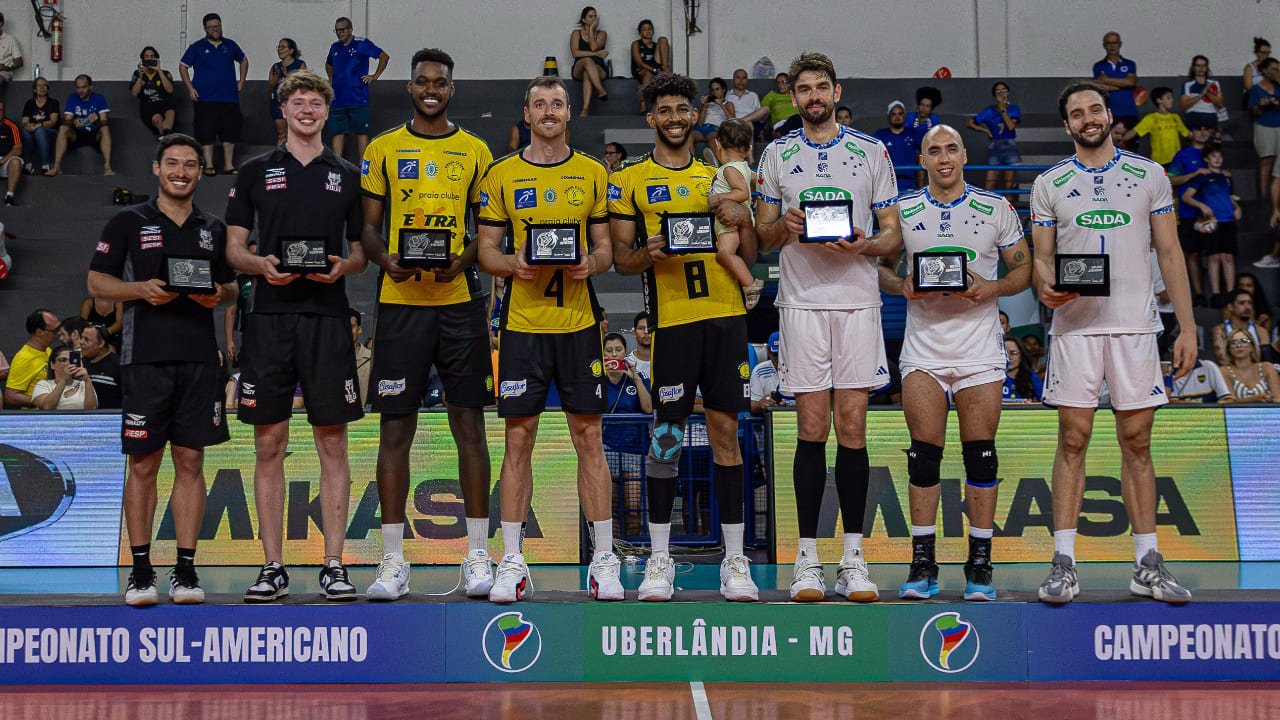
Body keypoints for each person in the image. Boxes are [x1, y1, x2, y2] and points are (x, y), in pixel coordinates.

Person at [1031, 80, 1197, 605]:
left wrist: (1188, 327)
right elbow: (1041, 257)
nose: (1088, 118)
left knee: (1138, 442)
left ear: (1108, 115)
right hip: (1076, 327)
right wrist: (1045, 285)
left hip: (1135, 326)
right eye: (1077, 113)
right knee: (1073, 439)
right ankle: (1064, 563)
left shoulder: (1149, 175)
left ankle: (1147, 563)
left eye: (1095, 109)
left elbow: (1170, 253)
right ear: (1067, 125)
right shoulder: (1049, 183)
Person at [755, 52, 902, 603]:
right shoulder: (777, 153)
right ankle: (809, 559)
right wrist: (784, 226)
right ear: (792, 98)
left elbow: (893, 236)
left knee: (854, 428)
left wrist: (864, 242)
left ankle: (855, 559)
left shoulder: (872, 151)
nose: (813, 97)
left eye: (822, 87)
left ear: (836, 91)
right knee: (811, 428)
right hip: (801, 303)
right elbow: (763, 234)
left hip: (858, 302)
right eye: (804, 90)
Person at [609, 72, 760, 602]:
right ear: (650, 118)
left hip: (724, 318)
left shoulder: (719, 177)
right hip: (672, 323)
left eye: (683, 109)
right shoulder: (630, 180)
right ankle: (658, 561)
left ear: (697, 116)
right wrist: (648, 252)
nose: (674, 118)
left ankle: (735, 562)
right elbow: (621, 260)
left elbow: (751, 252)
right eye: (664, 110)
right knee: (666, 437)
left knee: (725, 434)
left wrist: (744, 218)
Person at [224, 70, 367, 603]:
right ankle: (273, 566)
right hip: (270, 320)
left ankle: (334, 563)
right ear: (282, 112)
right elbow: (235, 249)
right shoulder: (255, 171)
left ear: (327, 112)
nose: (307, 110)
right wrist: (259, 265)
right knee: (269, 442)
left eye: (315, 103)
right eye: (297, 102)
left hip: (329, 318)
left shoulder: (347, 173)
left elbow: (358, 252)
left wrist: (342, 268)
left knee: (333, 441)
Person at [359, 48, 496, 601]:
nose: (431, 88)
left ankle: (478, 556)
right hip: (399, 302)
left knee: (470, 426)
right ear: (409, 87)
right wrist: (387, 260)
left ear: (451, 88)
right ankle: (393, 562)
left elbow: (488, 228)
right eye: (422, 81)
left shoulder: (476, 150)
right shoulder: (383, 148)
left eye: (440, 81)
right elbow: (370, 228)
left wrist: (459, 262)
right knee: (396, 430)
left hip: (458, 302)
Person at [476, 75, 617, 602]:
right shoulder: (502, 175)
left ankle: (603, 560)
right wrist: (513, 263)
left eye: (558, 102)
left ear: (568, 113)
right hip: (523, 328)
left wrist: (591, 263)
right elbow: (486, 249)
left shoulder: (592, 173)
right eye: (541, 104)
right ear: (527, 114)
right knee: (518, 441)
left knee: (589, 440)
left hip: (579, 326)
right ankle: (511, 560)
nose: (550, 111)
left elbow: (604, 248)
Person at [880, 123, 1031, 602]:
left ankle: (979, 564)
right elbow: (875, 265)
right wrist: (897, 284)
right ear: (921, 160)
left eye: (950, 149)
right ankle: (922, 563)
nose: (943, 158)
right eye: (933, 151)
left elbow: (1024, 267)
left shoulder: (996, 207)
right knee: (923, 458)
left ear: (964, 154)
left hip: (979, 350)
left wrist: (992, 288)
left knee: (980, 455)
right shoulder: (902, 210)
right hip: (924, 348)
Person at [87, 133, 236, 606]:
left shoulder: (212, 226)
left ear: (199, 172)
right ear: (156, 169)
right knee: (145, 463)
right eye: (172, 163)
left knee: (191, 462)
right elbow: (97, 281)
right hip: (144, 358)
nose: (181, 171)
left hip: (197, 359)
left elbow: (231, 288)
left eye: (190, 164)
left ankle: (186, 571)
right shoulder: (128, 221)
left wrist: (218, 294)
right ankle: (141, 569)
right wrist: (142, 290)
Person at [180, 13, 248, 175]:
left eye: (217, 26)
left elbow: (244, 60)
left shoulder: (230, 45)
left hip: (229, 97)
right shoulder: (196, 47)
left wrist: (242, 81)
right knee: (206, 131)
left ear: (221, 26)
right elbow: (183, 67)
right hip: (205, 98)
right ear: (205, 29)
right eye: (211, 27)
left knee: (230, 131)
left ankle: (228, 165)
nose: (214, 30)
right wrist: (190, 88)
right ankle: (209, 165)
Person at [1182, 143, 1240, 306]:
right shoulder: (1202, 177)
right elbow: (1187, 197)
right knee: (1214, 257)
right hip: (1212, 221)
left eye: (1219, 156)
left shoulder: (1227, 176)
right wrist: (1202, 206)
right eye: (1213, 156)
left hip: (1228, 219)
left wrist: (1237, 208)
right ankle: (1215, 294)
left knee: (1228, 256)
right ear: (1206, 159)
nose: (1217, 159)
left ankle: (1230, 293)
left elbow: (1230, 196)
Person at [325, 17, 388, 160]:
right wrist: (331, 80)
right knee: (337, 132)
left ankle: (363, 166)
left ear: (350, 29)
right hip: (338, 98)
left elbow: (384, 56)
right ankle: (338, 164)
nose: (339, 33)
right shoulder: (335, 47)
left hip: (358, 98)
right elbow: (329, 64)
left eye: (342, 30)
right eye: (337, 30)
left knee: (361, 131)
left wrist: (375, 75)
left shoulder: (361, 44)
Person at [709, 118, 758, 289]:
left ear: (718, 144)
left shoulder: (729, 169)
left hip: (729, 223)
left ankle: (750, 284)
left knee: (724, 254)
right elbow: (760, 181)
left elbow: (742, 193)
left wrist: (719, 197)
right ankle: (748, 283)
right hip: (739, 221)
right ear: (748, 149)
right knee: (726, 252)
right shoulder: (744, 167)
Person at [1169, 123, 1214, 299]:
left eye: (1205, 129)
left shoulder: (1213, 152)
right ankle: (1198, 293)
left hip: (1215, 211)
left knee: (1215, 254)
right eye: (1198, 128)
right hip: (1189, 212)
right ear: (1191, 132)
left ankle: (1218, 294)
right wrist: (1194, 174)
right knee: (1192, 253)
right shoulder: (1183, 155)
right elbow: (1171, 179)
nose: (1202, 132)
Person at [49, 74, 113, 176]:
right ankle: (56, 166)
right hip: (77, 135)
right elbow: (66, 120)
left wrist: (95, 119)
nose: (80, 91)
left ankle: (107, 167)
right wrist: (73, 121)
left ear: (90, 87)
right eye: (78, 87)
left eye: (84, 87)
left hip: (94, 134)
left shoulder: (99, 98)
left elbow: (105, 121)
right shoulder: (72, 98)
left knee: (105, 129)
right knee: (63, 128)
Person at [967, 82, 1021, 190]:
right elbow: (969, 122)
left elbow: (1011, 126)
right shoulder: (989, 111)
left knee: (1009, 186)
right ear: (994, 95)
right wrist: (984, 130)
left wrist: (1002, 110)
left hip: (1010, 145)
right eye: (998, 92)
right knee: (989, 184)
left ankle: (1008, 206)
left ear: (1008, 92)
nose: (1001, 94)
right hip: (995, 146)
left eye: (1004, 90)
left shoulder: (1014, 109)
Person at [4, 309, 58, 409]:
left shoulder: (48, 350)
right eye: (55, 331)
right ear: (39, 332)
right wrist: (40, 401)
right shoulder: (24, 358)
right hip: (37, 416)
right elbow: (10, 395)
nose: (58, 333)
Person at [1124, 86, 1189, 168]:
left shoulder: (1175, 117)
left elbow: (1187, 134)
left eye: (1172, 97)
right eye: (1168, 98)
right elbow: (1134, 131)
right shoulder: (1151, 118)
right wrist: (1120, 140)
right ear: (1159, 100)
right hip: (1159, 162)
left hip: (1176, 160)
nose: (1172, 100)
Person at [1093, 32, 1139, 136]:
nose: (1112, 46)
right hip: (1108, 112)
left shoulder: (1129, 64)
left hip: (1129, 112)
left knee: (1129, 147)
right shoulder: (1098, 66)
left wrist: (1106, 79)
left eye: (1115, 43)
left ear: (1120, 44)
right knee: (1110, 147)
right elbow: (1100, 87)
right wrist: (1122, 84)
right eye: (1109, 43)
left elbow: (1131, 82)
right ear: (1104, 46)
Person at [1249, 58, 1280, 207]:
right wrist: (1261, 105)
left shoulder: (1278, 86)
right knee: (1266, 160)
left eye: (1278, 69)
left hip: (1279, 125)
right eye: (1273, 69)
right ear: (1264, 70)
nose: (1276, 72)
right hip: (1264, 125)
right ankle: (1263, 196)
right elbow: (1253, 111)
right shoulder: (1256, 89)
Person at [31, 344, 97, 410]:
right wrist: (63, 380)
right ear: (52, 365)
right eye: (62, 360)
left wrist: (87, 380)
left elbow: (91, 409)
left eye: (71, 360)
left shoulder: (83, 384)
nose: (68, 363)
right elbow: (47, 407)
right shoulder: (43, 384)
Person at [1220, 328, 1279, 402]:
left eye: (1244, 341)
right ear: (1228, 349)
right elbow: (1229, 403)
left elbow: (1278, 399)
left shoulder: (1267, 367)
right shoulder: (1224, 371)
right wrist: (1255, 399)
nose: (1239, 345)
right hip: (1237, 414)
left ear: (1252, 346)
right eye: (1233, 342)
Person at [570, 6, 609, 117]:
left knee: (588, 73)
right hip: (579, 65)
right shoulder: (576, 34)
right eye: (590, 16)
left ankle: (585, 109)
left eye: (595, 16)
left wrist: (592, 30)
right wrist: (596, 54)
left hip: (598, 67)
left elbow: (594, 47)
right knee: (587, 61)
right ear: (584, 20)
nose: (594, 19)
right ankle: (601, 90)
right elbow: (575, 53)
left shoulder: (602, 34)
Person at [1212, 289, 1266, 365]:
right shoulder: (1220, 330)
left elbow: (1265, 358)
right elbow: (1221, 357)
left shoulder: (1261, 331)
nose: (1247, 307)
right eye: (1242, 303)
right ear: (1230, 307)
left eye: (1250, 303)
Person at [874, 101, 919, 194]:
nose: (897, 117)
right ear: (889, 117)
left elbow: (923, 157)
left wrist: (920, 186)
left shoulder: (914, 133)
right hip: (886, 187)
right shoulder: (880, 135)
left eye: (900, 113)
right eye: (893, 114)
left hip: (910, 187)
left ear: (905, 115)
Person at [267, 39, 306, 147]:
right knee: (281, 134)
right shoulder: (275, 67)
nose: (280, 49)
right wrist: (276, 76)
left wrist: (289, 76)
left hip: (294, 104)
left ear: (291, 50)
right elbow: (269, 86)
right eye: (278, 47)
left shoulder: (300, 65)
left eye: (283, 47)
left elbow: (304, 85)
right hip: (278, 103)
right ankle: (280, 160)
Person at [131, 46, 176, 136]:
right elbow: (134, 93)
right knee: (157, 118)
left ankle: (164, 136)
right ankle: (165, 136)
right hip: (148, 106)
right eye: (146, 56)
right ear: (142, 59)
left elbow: (170, 90)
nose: (149, 59)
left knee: (171, 112)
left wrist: (159, 71)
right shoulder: (137, 73)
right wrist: (140, 76)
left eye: (152, 56)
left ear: (156, 59)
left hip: (163, 104)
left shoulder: (166, 73)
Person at [20, 77, 59, 174]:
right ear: (34, 89)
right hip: (34, 129)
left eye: (44, 85)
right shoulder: (29, 103)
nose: (42, 88)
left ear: (48, 88)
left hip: (51, 132)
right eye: (39, 85)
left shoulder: (53, 102)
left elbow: (53, 121)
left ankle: (46, 164)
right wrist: (28, 125)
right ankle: (27, 165)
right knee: (25, 131)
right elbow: (24, 121)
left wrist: (38, 125)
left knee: (40, 131)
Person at [749, 331, 793, 414]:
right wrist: (761, 404)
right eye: (776, 354)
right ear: (769, 351)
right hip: (771, 420)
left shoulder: (801, 369)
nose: (780, 359)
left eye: (783, 354)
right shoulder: (759, 371)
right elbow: (751, 406)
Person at [630, 19, 669, 112]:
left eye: (650, 29)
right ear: (640, 33)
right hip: (641, 69)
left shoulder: (656, 45)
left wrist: (663, 68)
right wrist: (654, 70)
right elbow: (639, 63)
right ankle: (642, 102)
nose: (647, 31)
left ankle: (665, 70)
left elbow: (660, 59)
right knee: (647, 73)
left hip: (656, 67)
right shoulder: (636, 44)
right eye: (644, 29)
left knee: (663, 39)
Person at [79, 324, 121, 409]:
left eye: (86, 339)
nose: (81, 342)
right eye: (81, 337)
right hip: (81, 418)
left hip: (109, 419)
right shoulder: (80, 363)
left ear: (101, 343)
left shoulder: (118, 365)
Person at [693, 77, 734, 164]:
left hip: (715, 129)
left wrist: (721, 105)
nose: (714, 92)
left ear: (723, 90)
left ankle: (721, 163)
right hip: (703, 128)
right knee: (690, 136)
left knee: (712, 137)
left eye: (717, 89)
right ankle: (692, 163)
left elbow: (732, 121)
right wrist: (704, 106)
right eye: (712, 90)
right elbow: (699, 123)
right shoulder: (708, 104)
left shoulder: (728, 104)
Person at [1180, 55, 1224, 133]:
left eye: (1203, 66)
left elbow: (1220, 104)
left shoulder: (1214, 83)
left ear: (1207, 67)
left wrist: (1207, 93)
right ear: (1193, 67)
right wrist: (1201, 95)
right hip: (1194, 115)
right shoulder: (1187, 84)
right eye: (1198, 66)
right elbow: (1183, 106)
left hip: (1211, 115)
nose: (1201, 68)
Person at [729, 68, 769, 138]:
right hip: (731, 127)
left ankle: (740, 123)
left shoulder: (753, 95)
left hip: (751, 124)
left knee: (766, 109)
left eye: (744, 78)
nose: (741, 81)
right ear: (733, 79)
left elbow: (759, 117)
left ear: (747, 80)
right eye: (738, 78)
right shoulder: (727, 95)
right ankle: (738, 124)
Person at [1002, 336, 1043, 403]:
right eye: (1004, 354)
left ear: (1022, 355)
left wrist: (1032, 404)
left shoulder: (1032, 377)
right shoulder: (992, 377)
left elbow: (1044, 401)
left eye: (1013, 353)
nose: (1008, 357)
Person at [0, 99, 21, 205]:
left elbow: (18, 149)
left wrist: (2, 161)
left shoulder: (12, 126)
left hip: (6, 161)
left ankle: (9, 196)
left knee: (16, 162)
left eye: (1, 110)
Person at [349, 308, 371, 405]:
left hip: (366, 418)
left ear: (359, 329)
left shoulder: (372, 360)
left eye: (351, 326)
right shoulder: (325, 361)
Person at [0, 12, 22, 90]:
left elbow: (19, 62)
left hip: (3, 72)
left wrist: (6, 68)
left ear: (1, 24)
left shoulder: (10, 40)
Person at [626, 310, 651, 380]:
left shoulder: (666, 361)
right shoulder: (627, 363)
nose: (646, 332)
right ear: (634, 332)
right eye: (641, 328)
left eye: (650, 328)